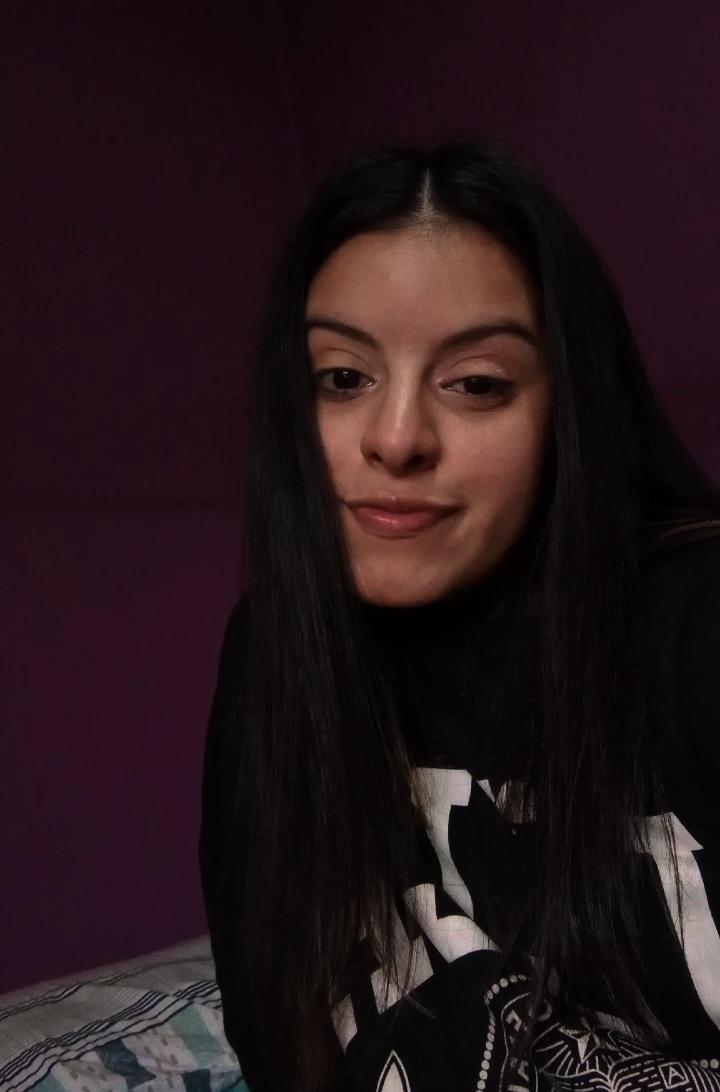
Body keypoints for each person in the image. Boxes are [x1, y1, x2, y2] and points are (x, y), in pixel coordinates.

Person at [198, 139, 720, 1092]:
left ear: (570, 408)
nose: (396, 439)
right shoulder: (275, 653)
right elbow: (278, 1030)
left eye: (476, 383)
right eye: (343, 378)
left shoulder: (694, 623)